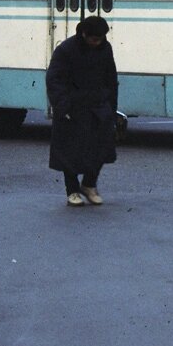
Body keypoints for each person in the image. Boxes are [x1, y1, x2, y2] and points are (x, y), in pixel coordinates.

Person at [47, 15, 119, 207]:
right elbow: (54, 80)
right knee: (71, 150)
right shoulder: (66, 50)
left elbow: (111, 78)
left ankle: (88, 184)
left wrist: (112, 108)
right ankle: (72, 191)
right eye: (94, 39)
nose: (97, 43)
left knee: (102, 146)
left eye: (101, 39)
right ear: (84, 34)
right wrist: (62, 107)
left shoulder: (105, 48)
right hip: (73, 106)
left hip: (98, 104)